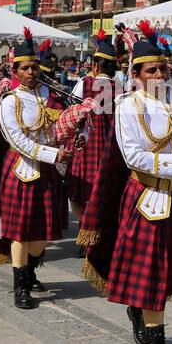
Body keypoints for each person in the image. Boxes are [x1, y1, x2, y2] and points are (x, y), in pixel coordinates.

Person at [81, 21, 172, 344]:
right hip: (147, 198)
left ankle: (140, 314)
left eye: (163, 68)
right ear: (136, 74)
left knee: (167, 272)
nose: (159, 74)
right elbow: (134, 159)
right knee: (153, 273)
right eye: (151, 69)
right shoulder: (127, 107)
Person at [0, 28, 71, 310]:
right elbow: (18, 140)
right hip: (20, 170)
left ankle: (30, 271)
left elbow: (59, 128)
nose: (30, 72)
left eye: (34, 67)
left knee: (41, 235)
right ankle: (20, 286)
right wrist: (52, 153)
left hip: (48, 169)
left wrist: (76, 131)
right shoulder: (9, 101)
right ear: (14, 70)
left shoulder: (51, 94)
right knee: (19, 232)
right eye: (24, 68)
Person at [66, 29, 117, 224]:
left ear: (95, 65)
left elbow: (72, 113)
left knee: (79, 194)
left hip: (85, 147)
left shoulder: (84, 83)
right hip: (111, 148)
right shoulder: (121, 88)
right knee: (104, 192)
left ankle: (85, 229)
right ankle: (99, 230)